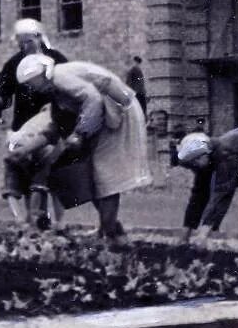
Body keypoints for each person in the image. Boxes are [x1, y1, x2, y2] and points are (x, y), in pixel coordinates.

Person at [16, 54, 151, 238]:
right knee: (96, 176)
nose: (31, 88)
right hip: (107, 116)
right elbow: (57, 127)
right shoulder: (56, 91)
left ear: (41, 74)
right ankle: (111, 230)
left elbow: (93, 99)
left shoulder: (59, 76)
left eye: (31, 82)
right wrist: (26, 149)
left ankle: (110, 233)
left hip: (120, 111)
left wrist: (79, 133)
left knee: (106, 175)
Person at [0, 19, 71, 226]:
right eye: (20, 43)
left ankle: (59, 222)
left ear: (39, 37)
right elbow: (4, 96)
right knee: (28, 173)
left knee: (52, 172)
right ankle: (34, 220)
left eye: (28, 42)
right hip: (23, 124)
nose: (24, 47)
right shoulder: (13, 63)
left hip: (52, 122)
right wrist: (0, 98)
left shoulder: (57, 59)